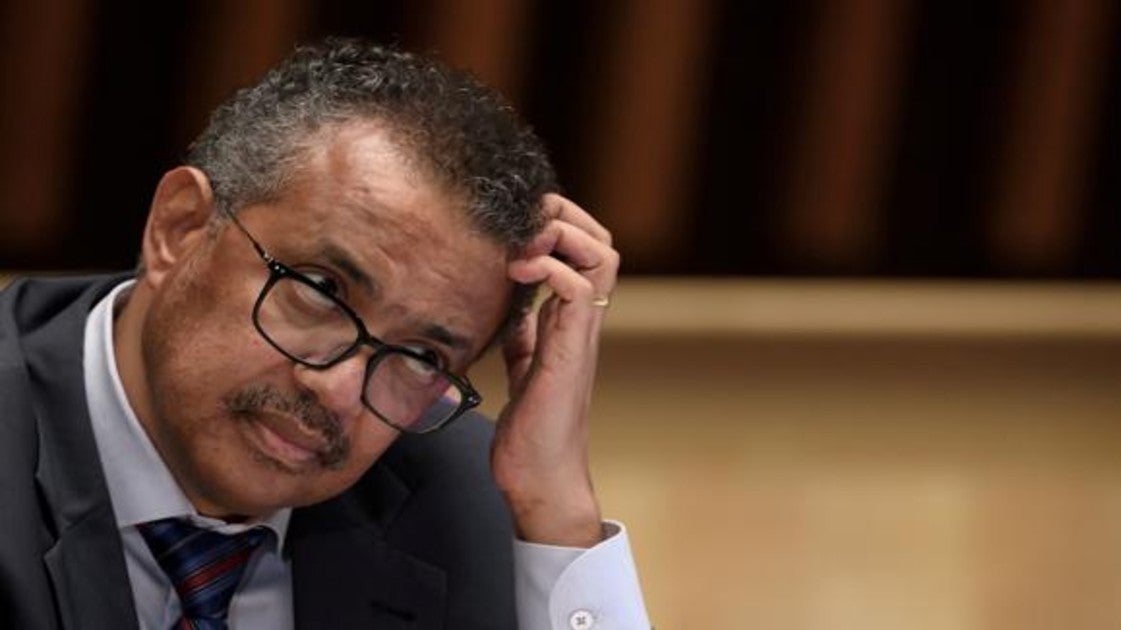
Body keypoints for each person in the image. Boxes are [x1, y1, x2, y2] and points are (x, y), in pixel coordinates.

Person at [0, 38, 650, 630]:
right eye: (321, 290)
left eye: (420, 355)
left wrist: (555, 512)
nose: (338, 390)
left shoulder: (460, 505)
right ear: (182, 227)